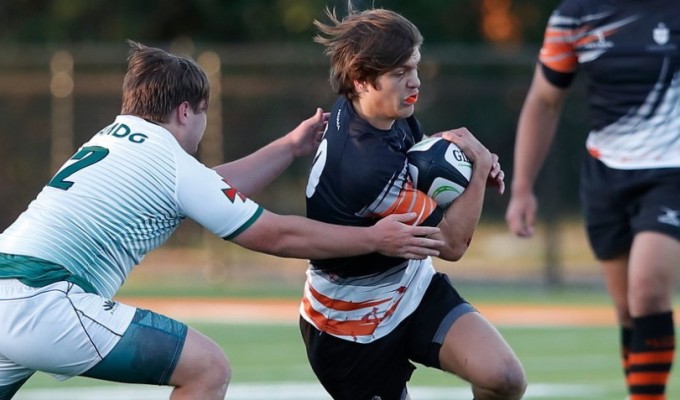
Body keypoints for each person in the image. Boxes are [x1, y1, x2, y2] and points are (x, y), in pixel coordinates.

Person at [0, 41, 445, 400]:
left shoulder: (118, 140)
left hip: (11, 291)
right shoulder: (169, 162)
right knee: (208, 369)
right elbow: (276, 234)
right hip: (43, 298)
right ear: (185, 111)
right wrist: (373, 238)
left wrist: (289, 147)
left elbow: (210, 188)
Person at [299, 4, 527, 400]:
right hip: (350, 327)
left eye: (415, 67)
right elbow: (452, 244)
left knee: (504, 378)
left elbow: (416, 172)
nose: (415, 82)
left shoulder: (382, 113)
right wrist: (477, 169)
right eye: (400, 73)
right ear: (361, 80)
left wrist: (453, 163)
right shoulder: (363, 166)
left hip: (410, 288)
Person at [505, 2, 680, 399]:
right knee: (628, 310)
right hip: (606, 175)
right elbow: (544, 100)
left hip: (672, 172)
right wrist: (522, 188)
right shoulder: (575, 15)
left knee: (648, 289)